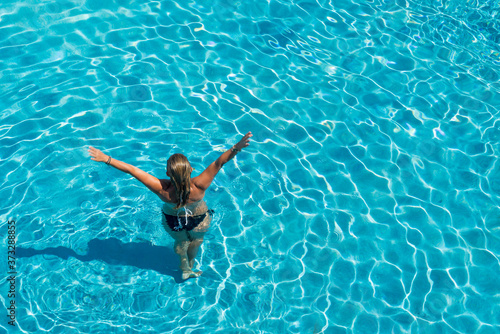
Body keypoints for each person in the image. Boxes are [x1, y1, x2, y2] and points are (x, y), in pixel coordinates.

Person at [88, 132, 252, 280]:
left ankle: (184, 267)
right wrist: (236, 147)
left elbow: (132, 170)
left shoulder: (162, 189)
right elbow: (219, 163)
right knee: (196, 241)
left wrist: (106, 158)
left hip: (173, 221)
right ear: (191, 169)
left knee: (181, 243)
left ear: (168, 174)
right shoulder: (200, 185)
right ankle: (192, 264)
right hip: (199, 217)